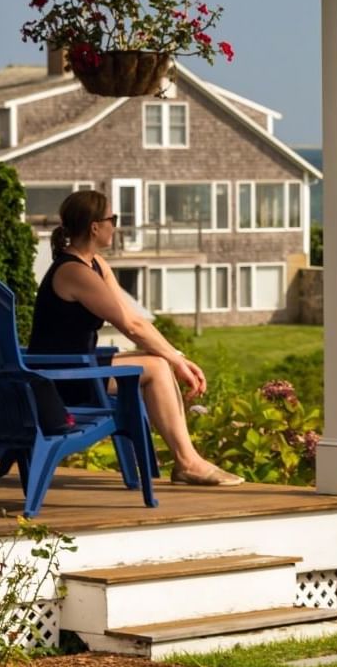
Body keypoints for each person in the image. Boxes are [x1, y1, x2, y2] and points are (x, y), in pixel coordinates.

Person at [31, 189, 243, 487]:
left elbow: (135, 319)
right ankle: (187, 462)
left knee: (158, 362)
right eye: (112, 219)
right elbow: (129, 326)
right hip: (62, 379)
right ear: (95, 226)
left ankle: (187, 461)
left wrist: (177, 357)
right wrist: (176, 362)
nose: (114, 225)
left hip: (80, 366)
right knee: (156, 367)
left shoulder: (95, 264)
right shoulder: (72, 272)